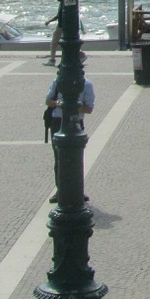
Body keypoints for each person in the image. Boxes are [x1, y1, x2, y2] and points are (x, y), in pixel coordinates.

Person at [45, 54, 94, 203]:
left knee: (75, 157)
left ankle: (77, 189)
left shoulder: (86, 85)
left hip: (76, 122)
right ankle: (60, 189)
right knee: (58, 157)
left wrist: (74, 105)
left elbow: (89, 109)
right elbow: (48, 101)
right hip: (57, 120)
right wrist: (60, 103)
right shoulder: (58, 82)